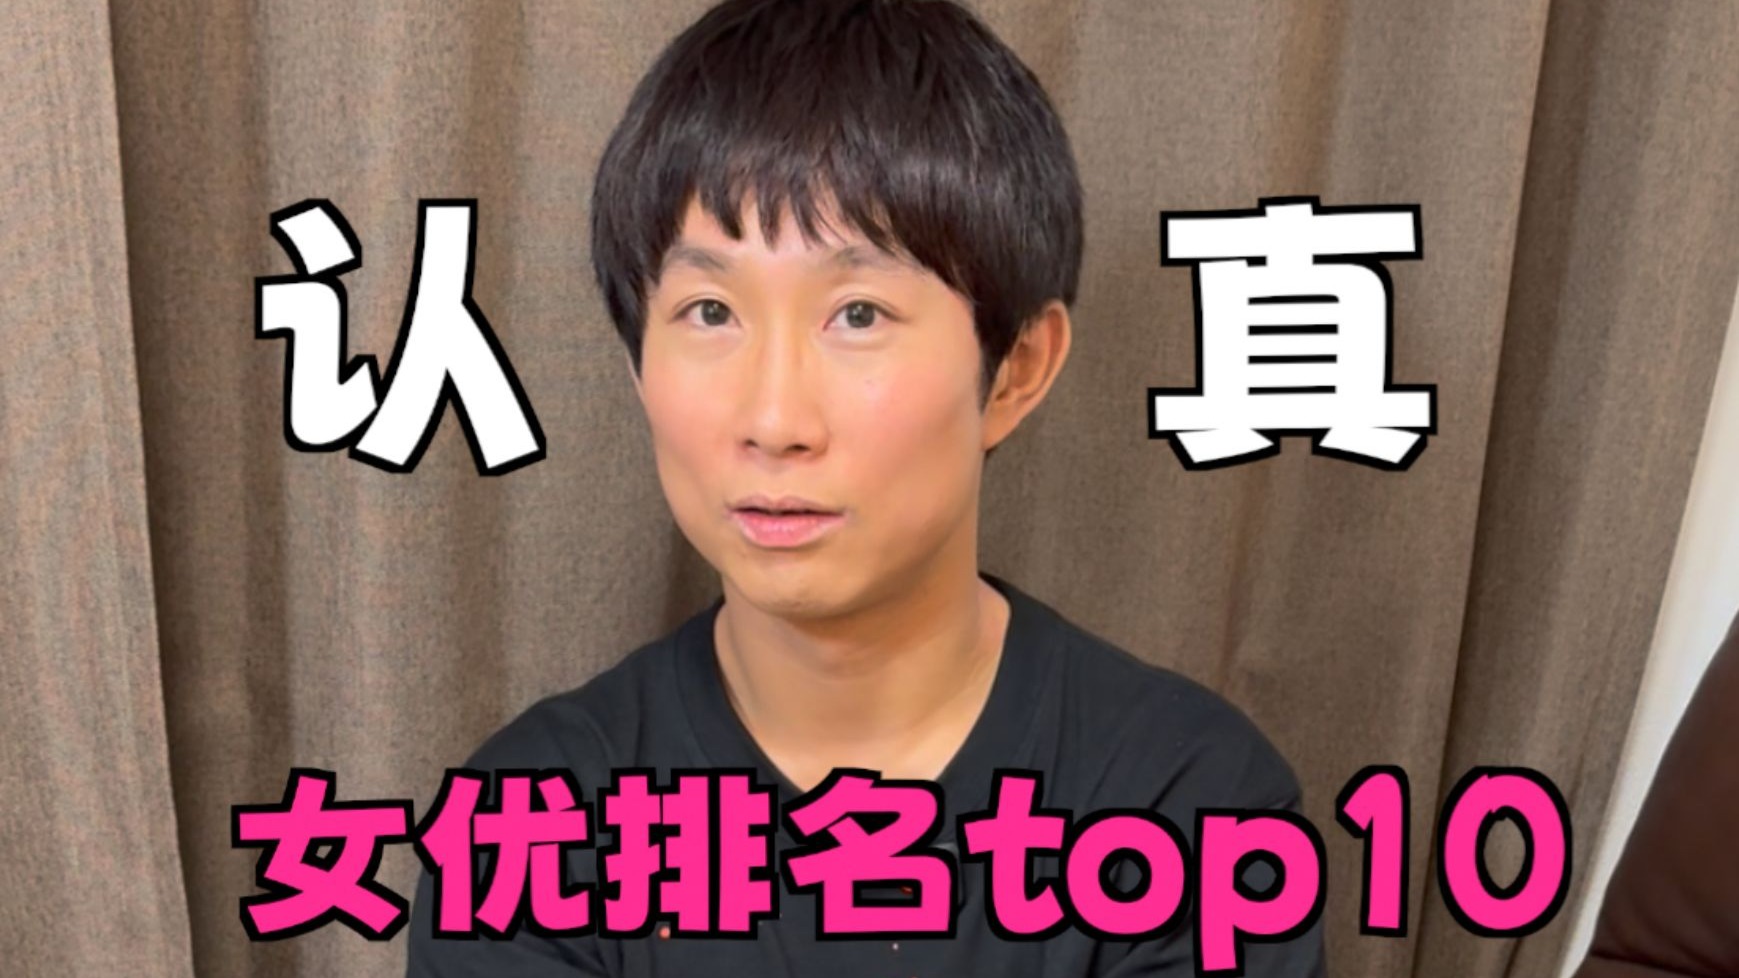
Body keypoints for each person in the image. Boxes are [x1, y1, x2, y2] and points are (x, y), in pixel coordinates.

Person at [405, 0, 1325, 974]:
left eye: (857, 314)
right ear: (637, 364)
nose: (774, 420)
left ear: (1014, 370)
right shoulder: (529, 825)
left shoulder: (1183, 804)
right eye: (709, 311)